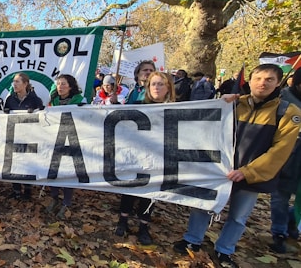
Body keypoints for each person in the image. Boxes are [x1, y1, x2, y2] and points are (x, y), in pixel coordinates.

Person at [173, 64, 301, 268]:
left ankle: (225, 250)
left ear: (278, 83)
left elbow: (281, 150)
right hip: (220, 170)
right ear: (249, 81)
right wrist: (220, 103)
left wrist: (248, 172)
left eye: (269, 79)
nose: (263, 83)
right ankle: (192, 240)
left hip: (251, 175)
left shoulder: (287, 112)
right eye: (258, 78)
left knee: (239, 216)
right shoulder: (233, 104)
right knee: (203, 206)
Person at [115, 72, 176, 246]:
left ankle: (143, 226)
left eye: (161, 84)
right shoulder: (138, 105)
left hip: (158, 158)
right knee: (129, 189)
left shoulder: (177, 108)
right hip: (135, 156)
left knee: (150, 193)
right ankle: (123, 221)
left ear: (168, 88)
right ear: (148, 87)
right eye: (153, 84)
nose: (156, 88)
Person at [269, 69, 301, 253]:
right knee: (280, 196)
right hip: (286, 157)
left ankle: (292, 220)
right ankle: (279, 232)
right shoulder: (282, 102)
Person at [47, 74, 84, 219]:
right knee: (53, 169)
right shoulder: (53, 101)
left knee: (67, 172)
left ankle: (66, 203)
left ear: (70, 86)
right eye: (58, 84)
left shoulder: (80, 100)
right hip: (55, 140)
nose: (60, 87)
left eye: (63, 84)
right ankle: (54, 198)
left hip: (72, 141)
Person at [4, 72, 44, 200]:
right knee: (14, 162)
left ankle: (27, 189)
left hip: (30, 136)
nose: (14, 84)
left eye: (17, 82)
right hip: (14, 136)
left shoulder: (35, 100)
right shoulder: (10, 99)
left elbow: (43, 116)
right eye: (14, 82)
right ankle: (15, 189)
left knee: (27, 163)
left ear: (25, 84)